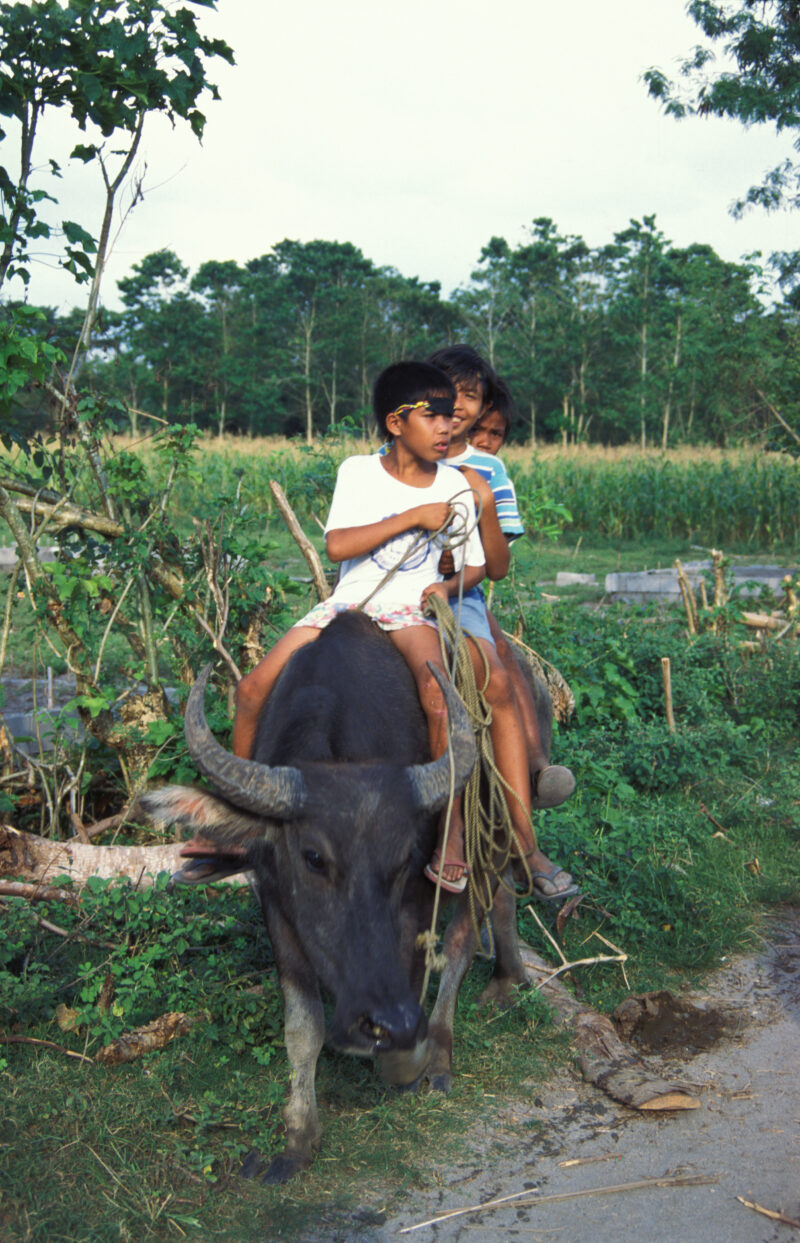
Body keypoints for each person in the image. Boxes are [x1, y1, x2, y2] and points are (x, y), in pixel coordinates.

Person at [427, 345, 577, 901]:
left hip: (460, 596)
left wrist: (453, 568)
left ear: (483, 404)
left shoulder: (488, 467)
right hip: (392, 590)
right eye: (449, 391)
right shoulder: (392, 452)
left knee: (493, 678)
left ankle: (524, 841)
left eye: (472, 396)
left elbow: (496, 558)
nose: (458, 405)